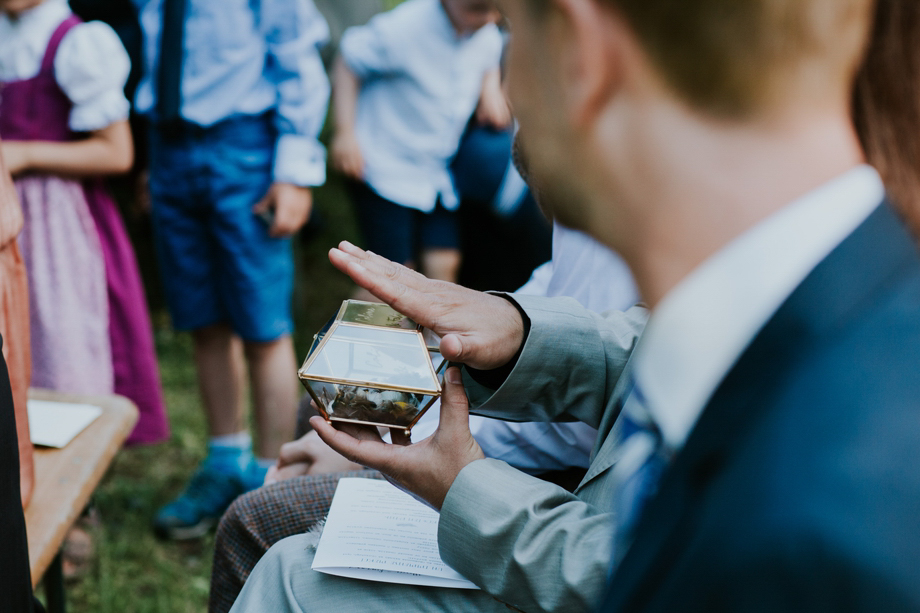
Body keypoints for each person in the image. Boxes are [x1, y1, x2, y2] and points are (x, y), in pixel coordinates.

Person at [230, 0, 920, 611]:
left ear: (578, 52)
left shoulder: (815, 543)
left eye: (510, 27)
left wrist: (466, 489)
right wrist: (522, 333)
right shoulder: (847, 309)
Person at [208, 189, 638, 612]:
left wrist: (456, 481)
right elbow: (620, 334)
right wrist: (515, 327)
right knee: (316, 414)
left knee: (270, 540)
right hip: (551, 495)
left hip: (553, 518)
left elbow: (627, 571)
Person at [132, 0, 332, 539]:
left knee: (262, 323)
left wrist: (294, 170)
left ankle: (272, 476)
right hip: (171, 147)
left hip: (243, 147)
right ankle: (224, 461)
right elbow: (161, 53)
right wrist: (157, 159)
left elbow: (296, 58)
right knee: (202, 319)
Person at [0, 0, 170, 445]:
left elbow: (116, 152)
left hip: (57, 223)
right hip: (5, 215)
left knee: (60, 343)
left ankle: (75, 476)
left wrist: (24, 153)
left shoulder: (77, 42)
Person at [330, 0, 509, 285]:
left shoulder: (484, 31)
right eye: (477, 10)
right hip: (385, 167)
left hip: (434, 173)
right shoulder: (404, 29)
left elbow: (488, 58)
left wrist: (491, 89)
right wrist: (345, 133)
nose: (488, 20)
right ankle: (357, 324)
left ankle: (430, 330)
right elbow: (349, 59)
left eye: (495, 12)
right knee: (393, 276)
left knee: (444, 262)